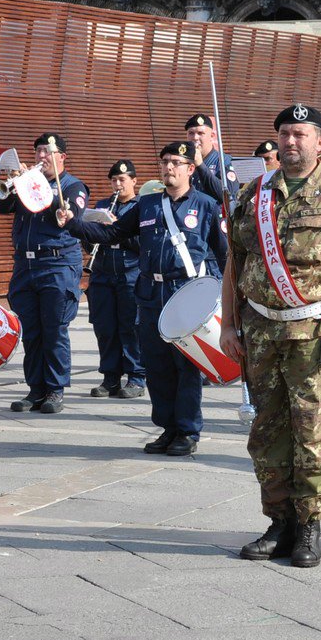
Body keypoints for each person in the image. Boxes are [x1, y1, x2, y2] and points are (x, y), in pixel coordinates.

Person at [222, 103, 321, 568]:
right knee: (266, 428)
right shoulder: (254, 193)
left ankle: (309, 525)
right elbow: (235, 260)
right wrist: (228, 324)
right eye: (285, 133)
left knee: (311, 429)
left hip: (313, 332)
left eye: (301, 134)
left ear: (319, 142)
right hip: (260, 330)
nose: (291, 142)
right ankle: (278, 521)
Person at [64, 141, 227, 456]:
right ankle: (167, 427)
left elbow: (223, 254)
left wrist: (225, 296)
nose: (168, 167)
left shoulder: (206, 205)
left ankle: (188, 431)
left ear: (190, 169)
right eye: (165, 161)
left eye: (176, 162)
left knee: (185, 366)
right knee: (156, 365)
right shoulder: (148, 204)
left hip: (186, 293)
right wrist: (72, 224)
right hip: (150, 293)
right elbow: (112, 234)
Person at [0, 132, 88, 414]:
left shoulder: (73, 186)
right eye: (38, 152)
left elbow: (68, 216)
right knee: (31, 332)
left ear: (62, 157)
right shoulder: (25, 183)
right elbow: (1, 205)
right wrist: (14, 183)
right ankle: (35, 389)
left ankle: (55, 389)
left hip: (57, 264)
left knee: (54, 328)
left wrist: (31, 183)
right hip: (25, 265)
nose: (42, 157)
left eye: (48, 152)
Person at [85, 159, 145, 400]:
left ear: (134, 181)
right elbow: (88, 242)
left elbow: (143, 244)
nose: (118, 184)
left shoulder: (142, 207)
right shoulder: (102, 205)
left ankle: (136, 376)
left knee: (130, 327)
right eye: (114, 180)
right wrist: (92, 231)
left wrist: (117, 228)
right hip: (102, 273)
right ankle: (110, 376)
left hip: (130, 272)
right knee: (105, 327)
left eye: (122, 180)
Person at [185, 113, 237, 206]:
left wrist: (200, 166)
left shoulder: (225, 161)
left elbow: (227, 196)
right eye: (191, 133)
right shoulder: (184, 162)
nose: (195, 138)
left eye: (201, 133)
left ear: (212, 136)